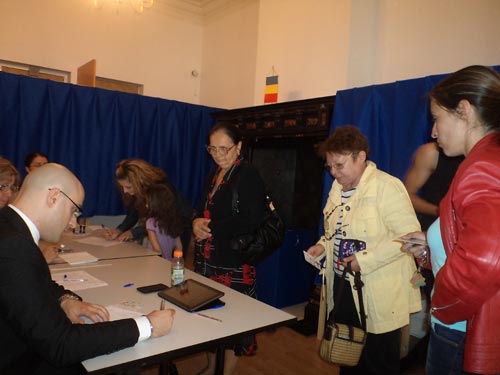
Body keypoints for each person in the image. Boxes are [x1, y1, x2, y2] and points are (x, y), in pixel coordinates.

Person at [0, 163, 175, 374]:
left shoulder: (9, 226)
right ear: (54, 196)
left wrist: (65, 301)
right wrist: (147, 325)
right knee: (124, 363)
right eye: (74, 210)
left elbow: (33, 281)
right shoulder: (14, 246)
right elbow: (61, 345)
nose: (73, 223)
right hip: (20, 361)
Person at [402, 65, 500, 375]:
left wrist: (441, 303)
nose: (433, 131)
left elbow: (489, 257)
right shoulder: (488, 159)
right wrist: (433, 246)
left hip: (460, 328)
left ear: (465, 111)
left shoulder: (480, 167)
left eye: (437, 118)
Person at [306, 125, 421, 375]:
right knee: (347, 354)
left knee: (379, 361)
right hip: (344, 286)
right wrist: (322, 246)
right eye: (330, 167)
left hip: (379, 289)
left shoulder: (387, 186)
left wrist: (364, 261)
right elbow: (334, 232)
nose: (334, 173)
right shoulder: (338, 189)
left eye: (339, 165)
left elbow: (410, 238)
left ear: (361, 156)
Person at [192, 122, 266, 375]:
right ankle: (211, 368)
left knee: (232, 325)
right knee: (210, 319)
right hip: (209, 260)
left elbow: (251, 219)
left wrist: (210, 227)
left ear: (239, 146)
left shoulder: (247, 174)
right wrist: (195, 222)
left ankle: (222, 372)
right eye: (212, 149)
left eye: (224, 148)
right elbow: (201, 208)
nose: (218, 155)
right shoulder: (214, 174)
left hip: (233, 263)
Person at [101, 159, 192, 250]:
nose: (125, 191)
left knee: (172, 261)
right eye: (122, 187)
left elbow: (161, 221)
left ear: (140, 181)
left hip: (176, 232)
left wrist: (134, 232)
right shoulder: (139, 189)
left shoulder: (161, 190)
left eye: (128, 187)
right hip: (162, 233)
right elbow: (133, 213)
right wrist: (119, 230)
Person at [145, 183, 183, 260]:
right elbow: (179, 246)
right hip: (168, 261)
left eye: (147, 202)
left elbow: (157, 250)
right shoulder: (172, 221)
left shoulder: (150, 222)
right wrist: (176, 261)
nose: (146, 205)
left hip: (154, 261)